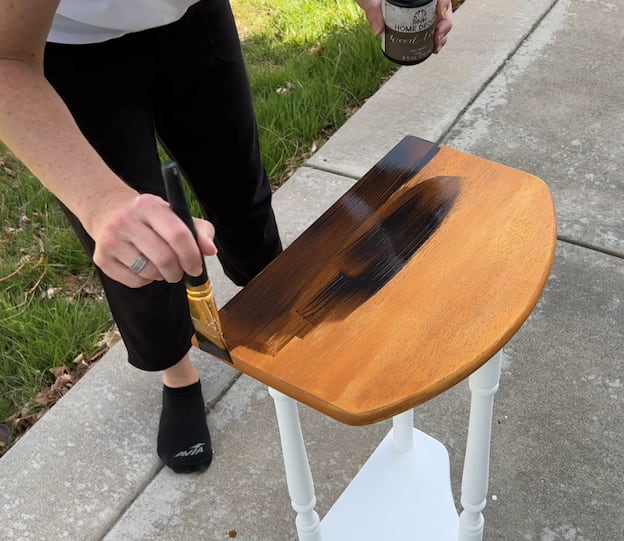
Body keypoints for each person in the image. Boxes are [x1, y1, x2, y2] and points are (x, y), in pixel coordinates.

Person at [0, 0, 453, 473]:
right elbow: (5, 57)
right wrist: (97, 201)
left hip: (195, 17)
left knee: (241, 190)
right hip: (70, 47)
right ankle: (178, 373)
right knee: (143, 249)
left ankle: (280, 310)